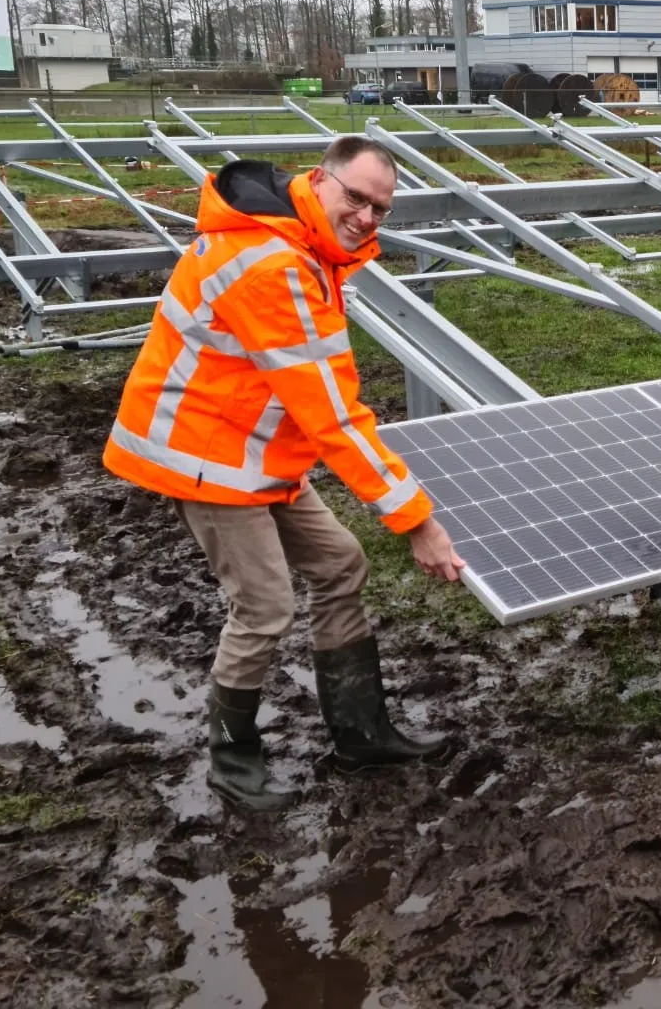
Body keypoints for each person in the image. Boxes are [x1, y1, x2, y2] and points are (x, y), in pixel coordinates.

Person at [103, 136, 466, 811]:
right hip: (204, 456)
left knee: (340, 564)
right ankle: (232, 761)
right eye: (356, 197)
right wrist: (416, 521)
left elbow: (307, 395)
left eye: (380, 209)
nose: (366, 217)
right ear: (319, 182)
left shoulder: (302, 247)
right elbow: (333, 414)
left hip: (254, 450)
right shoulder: (273, 264)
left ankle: (361, 733)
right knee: (265, 605)